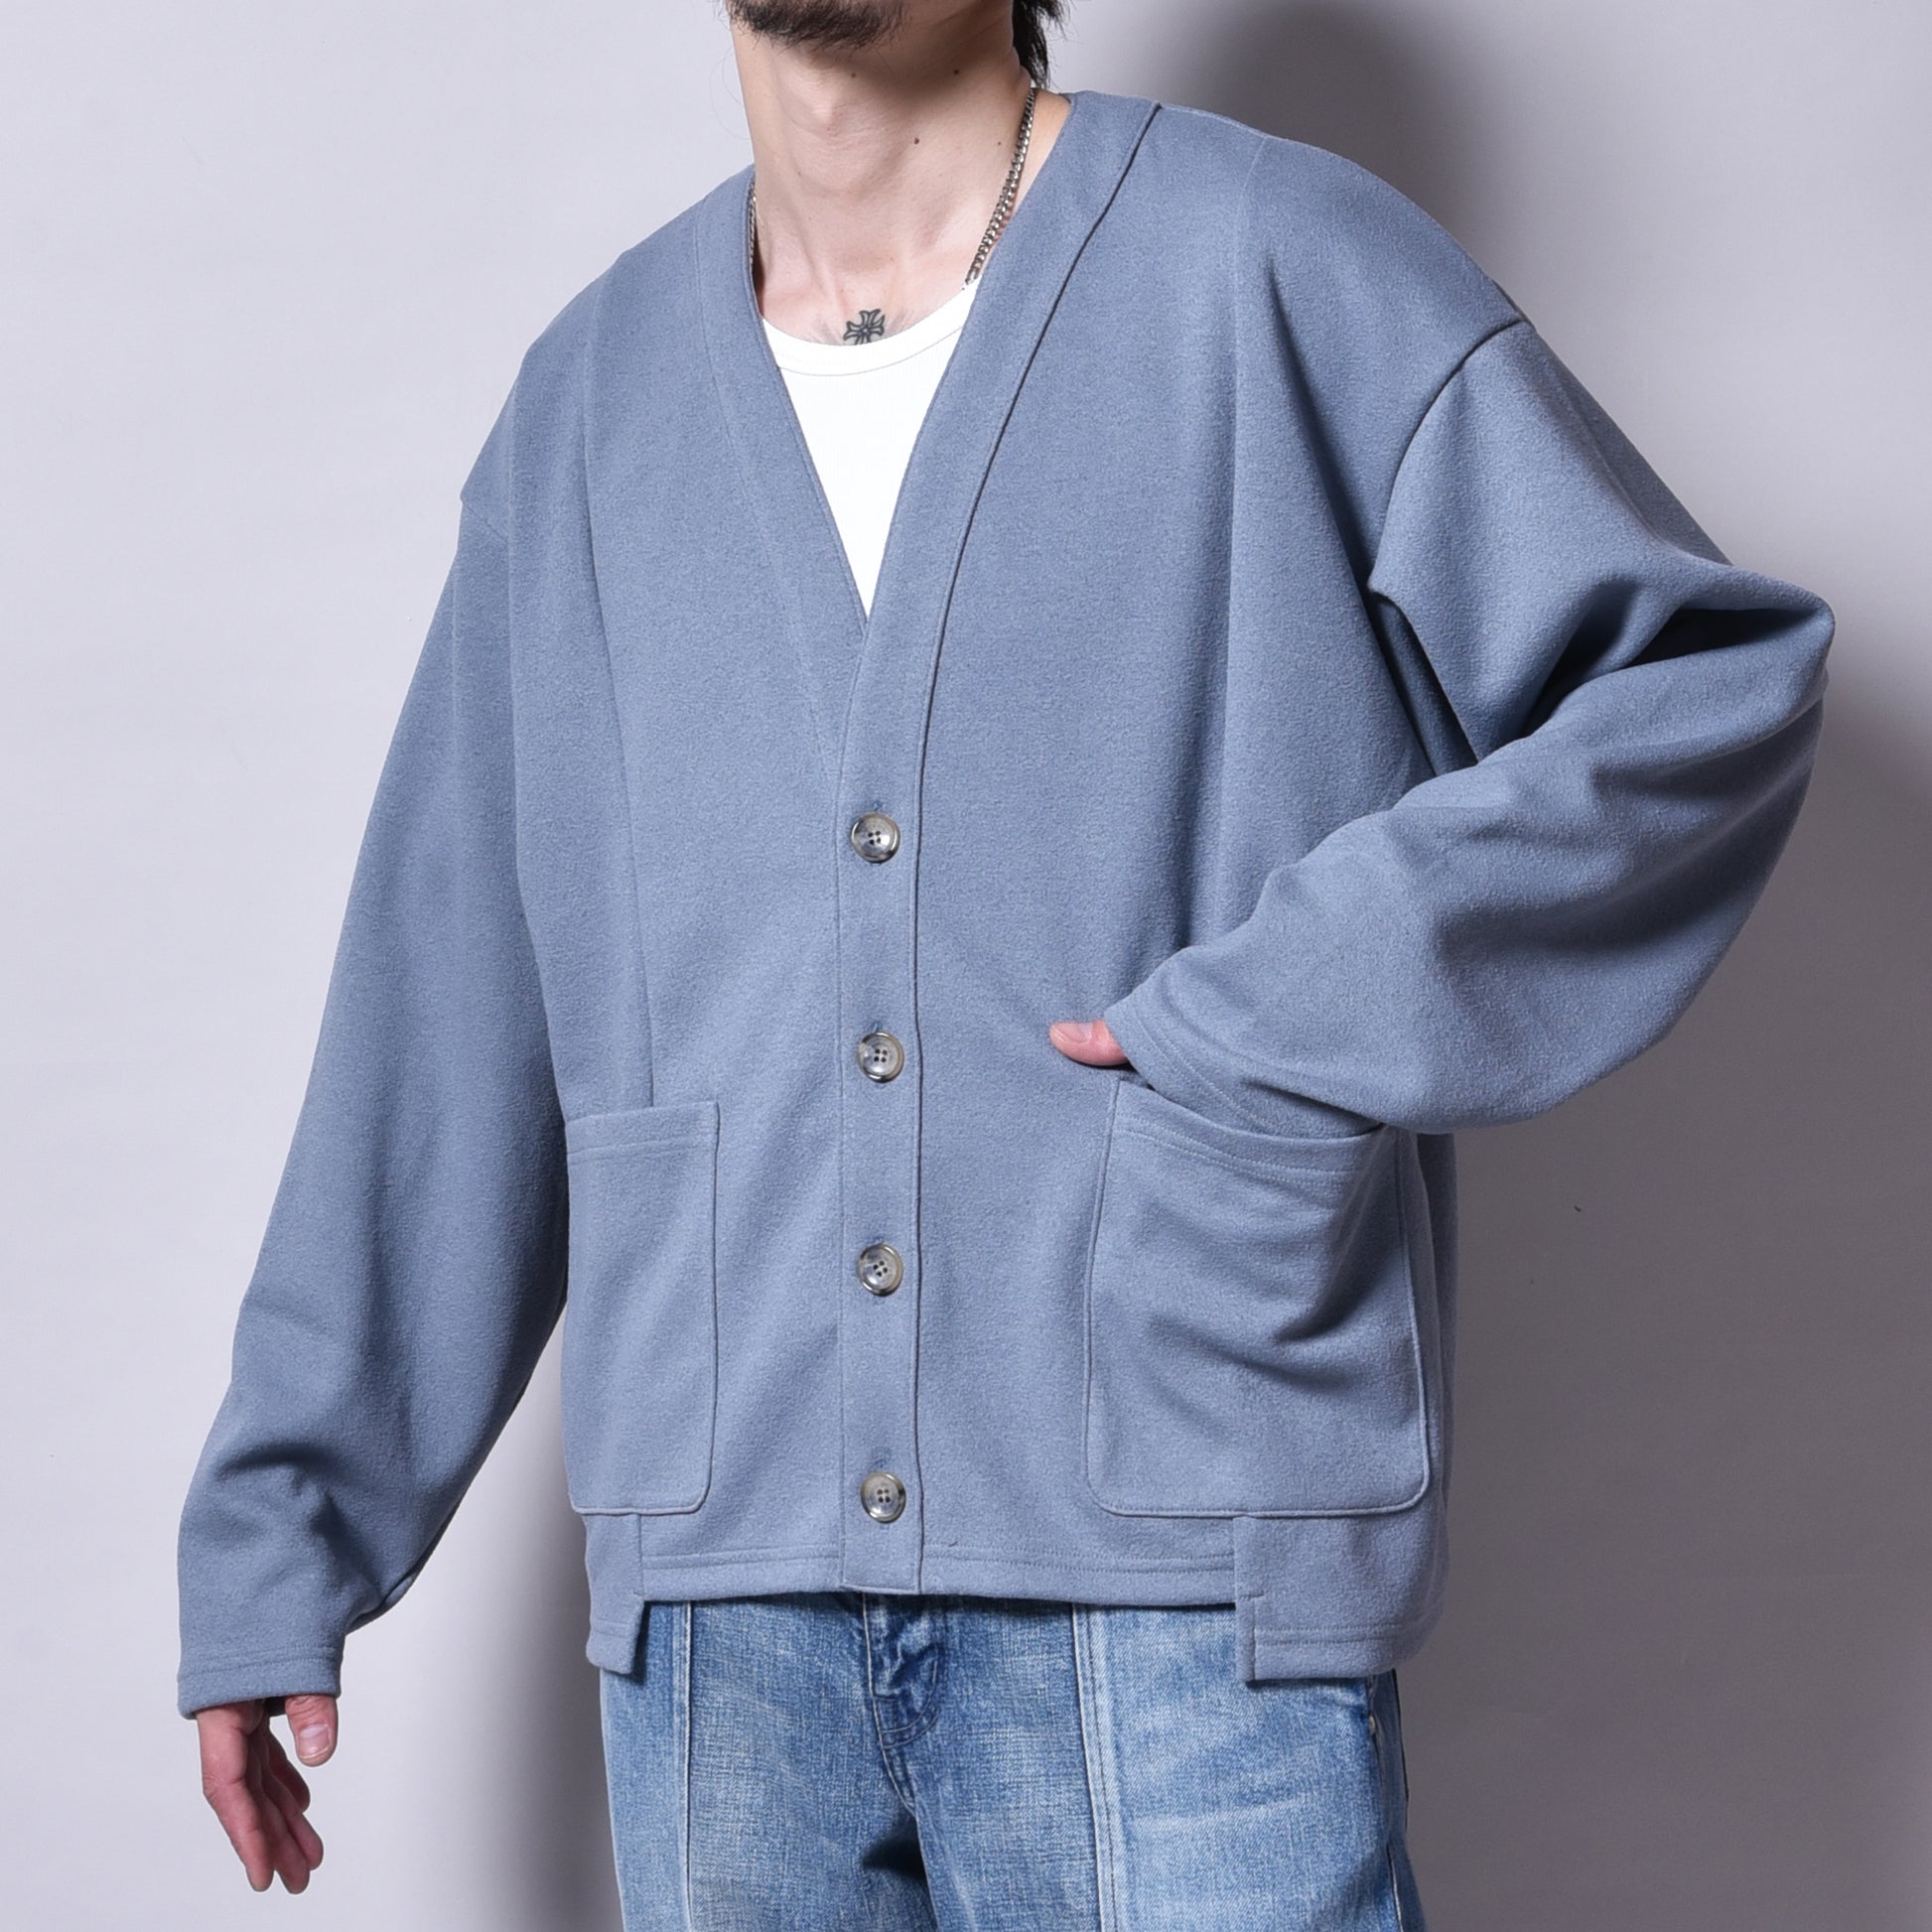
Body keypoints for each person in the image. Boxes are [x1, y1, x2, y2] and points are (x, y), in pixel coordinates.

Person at [177, 0, 1835, 1922]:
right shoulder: (588, 407)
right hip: (722, 1634)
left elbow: (1695, 692)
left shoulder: (1274, 268)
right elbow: (445, 996)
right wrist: (282, 1530)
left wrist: (1275, 1023)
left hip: (1176, 1583)